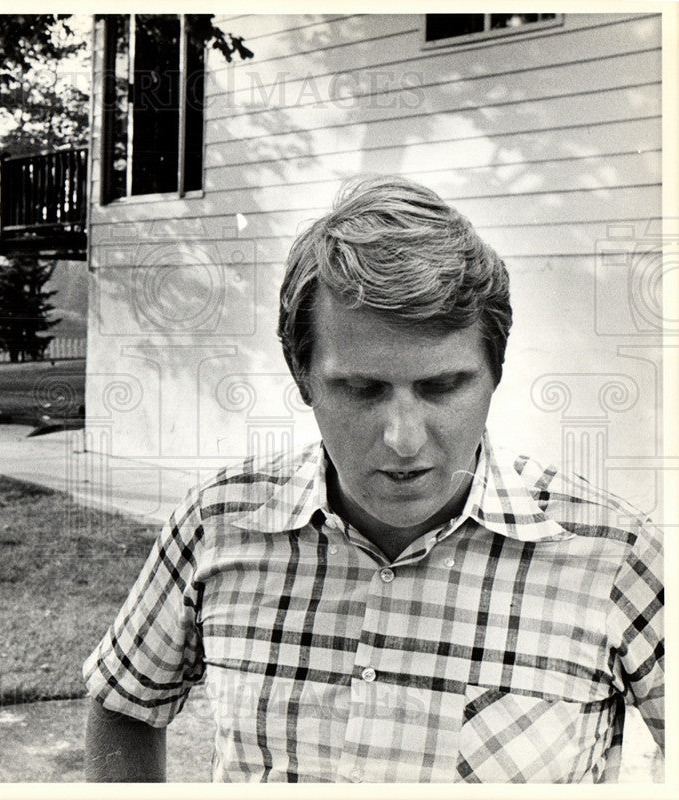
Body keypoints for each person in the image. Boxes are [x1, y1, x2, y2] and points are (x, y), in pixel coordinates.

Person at [82, 175, 665, 783]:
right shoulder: (217, 525)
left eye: (442, 387)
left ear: (495, 371)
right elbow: (123, 703)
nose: (404, 439)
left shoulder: (613, 554)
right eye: (362, 390)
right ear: (301, 373)